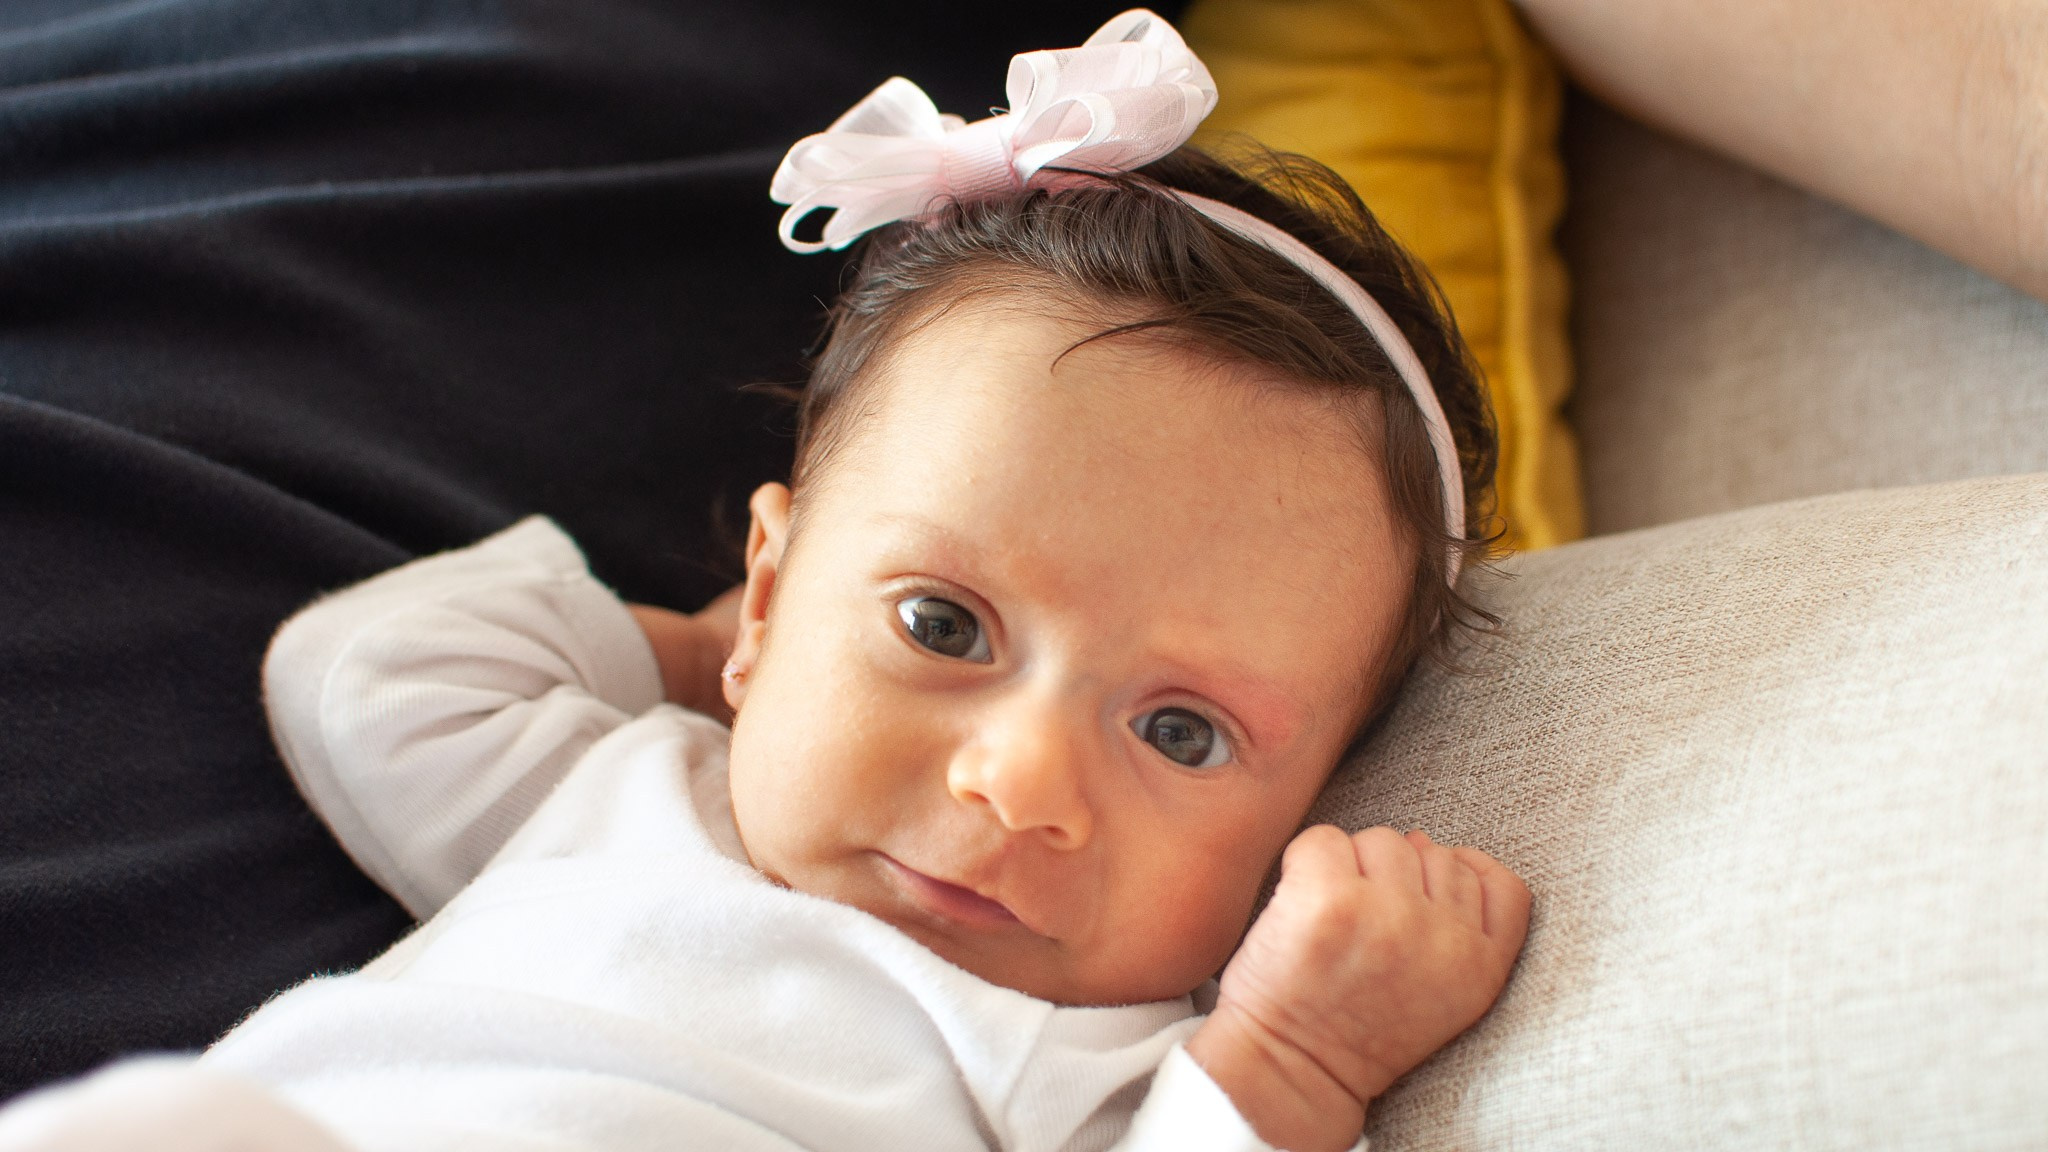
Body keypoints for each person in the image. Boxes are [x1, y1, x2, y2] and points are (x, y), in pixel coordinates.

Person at [0, 12, 1530, 1152]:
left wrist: (1293, 1062)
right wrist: (718, 653)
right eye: (942, 625)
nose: (1017, 780)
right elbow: (363, 683)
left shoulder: (1091, 1061)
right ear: (776, 584)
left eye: (1181, 733)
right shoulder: (621, 792)